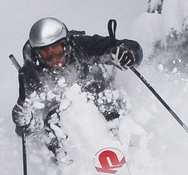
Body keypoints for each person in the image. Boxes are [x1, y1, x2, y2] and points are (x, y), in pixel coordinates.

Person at [11, 17, 143, 154]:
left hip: (98, 96)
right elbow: (29, 127)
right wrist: (24, 120)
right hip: (64, 119)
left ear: (66, 44)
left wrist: (127, 54)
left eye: (57, 50)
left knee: (106, 99)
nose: (54, 58)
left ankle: (127, 146)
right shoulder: (31, 73)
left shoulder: (81, 45)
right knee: (52, 124)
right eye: (46, 54)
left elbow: (125, 47)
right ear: (37, 54)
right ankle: (68, 167)